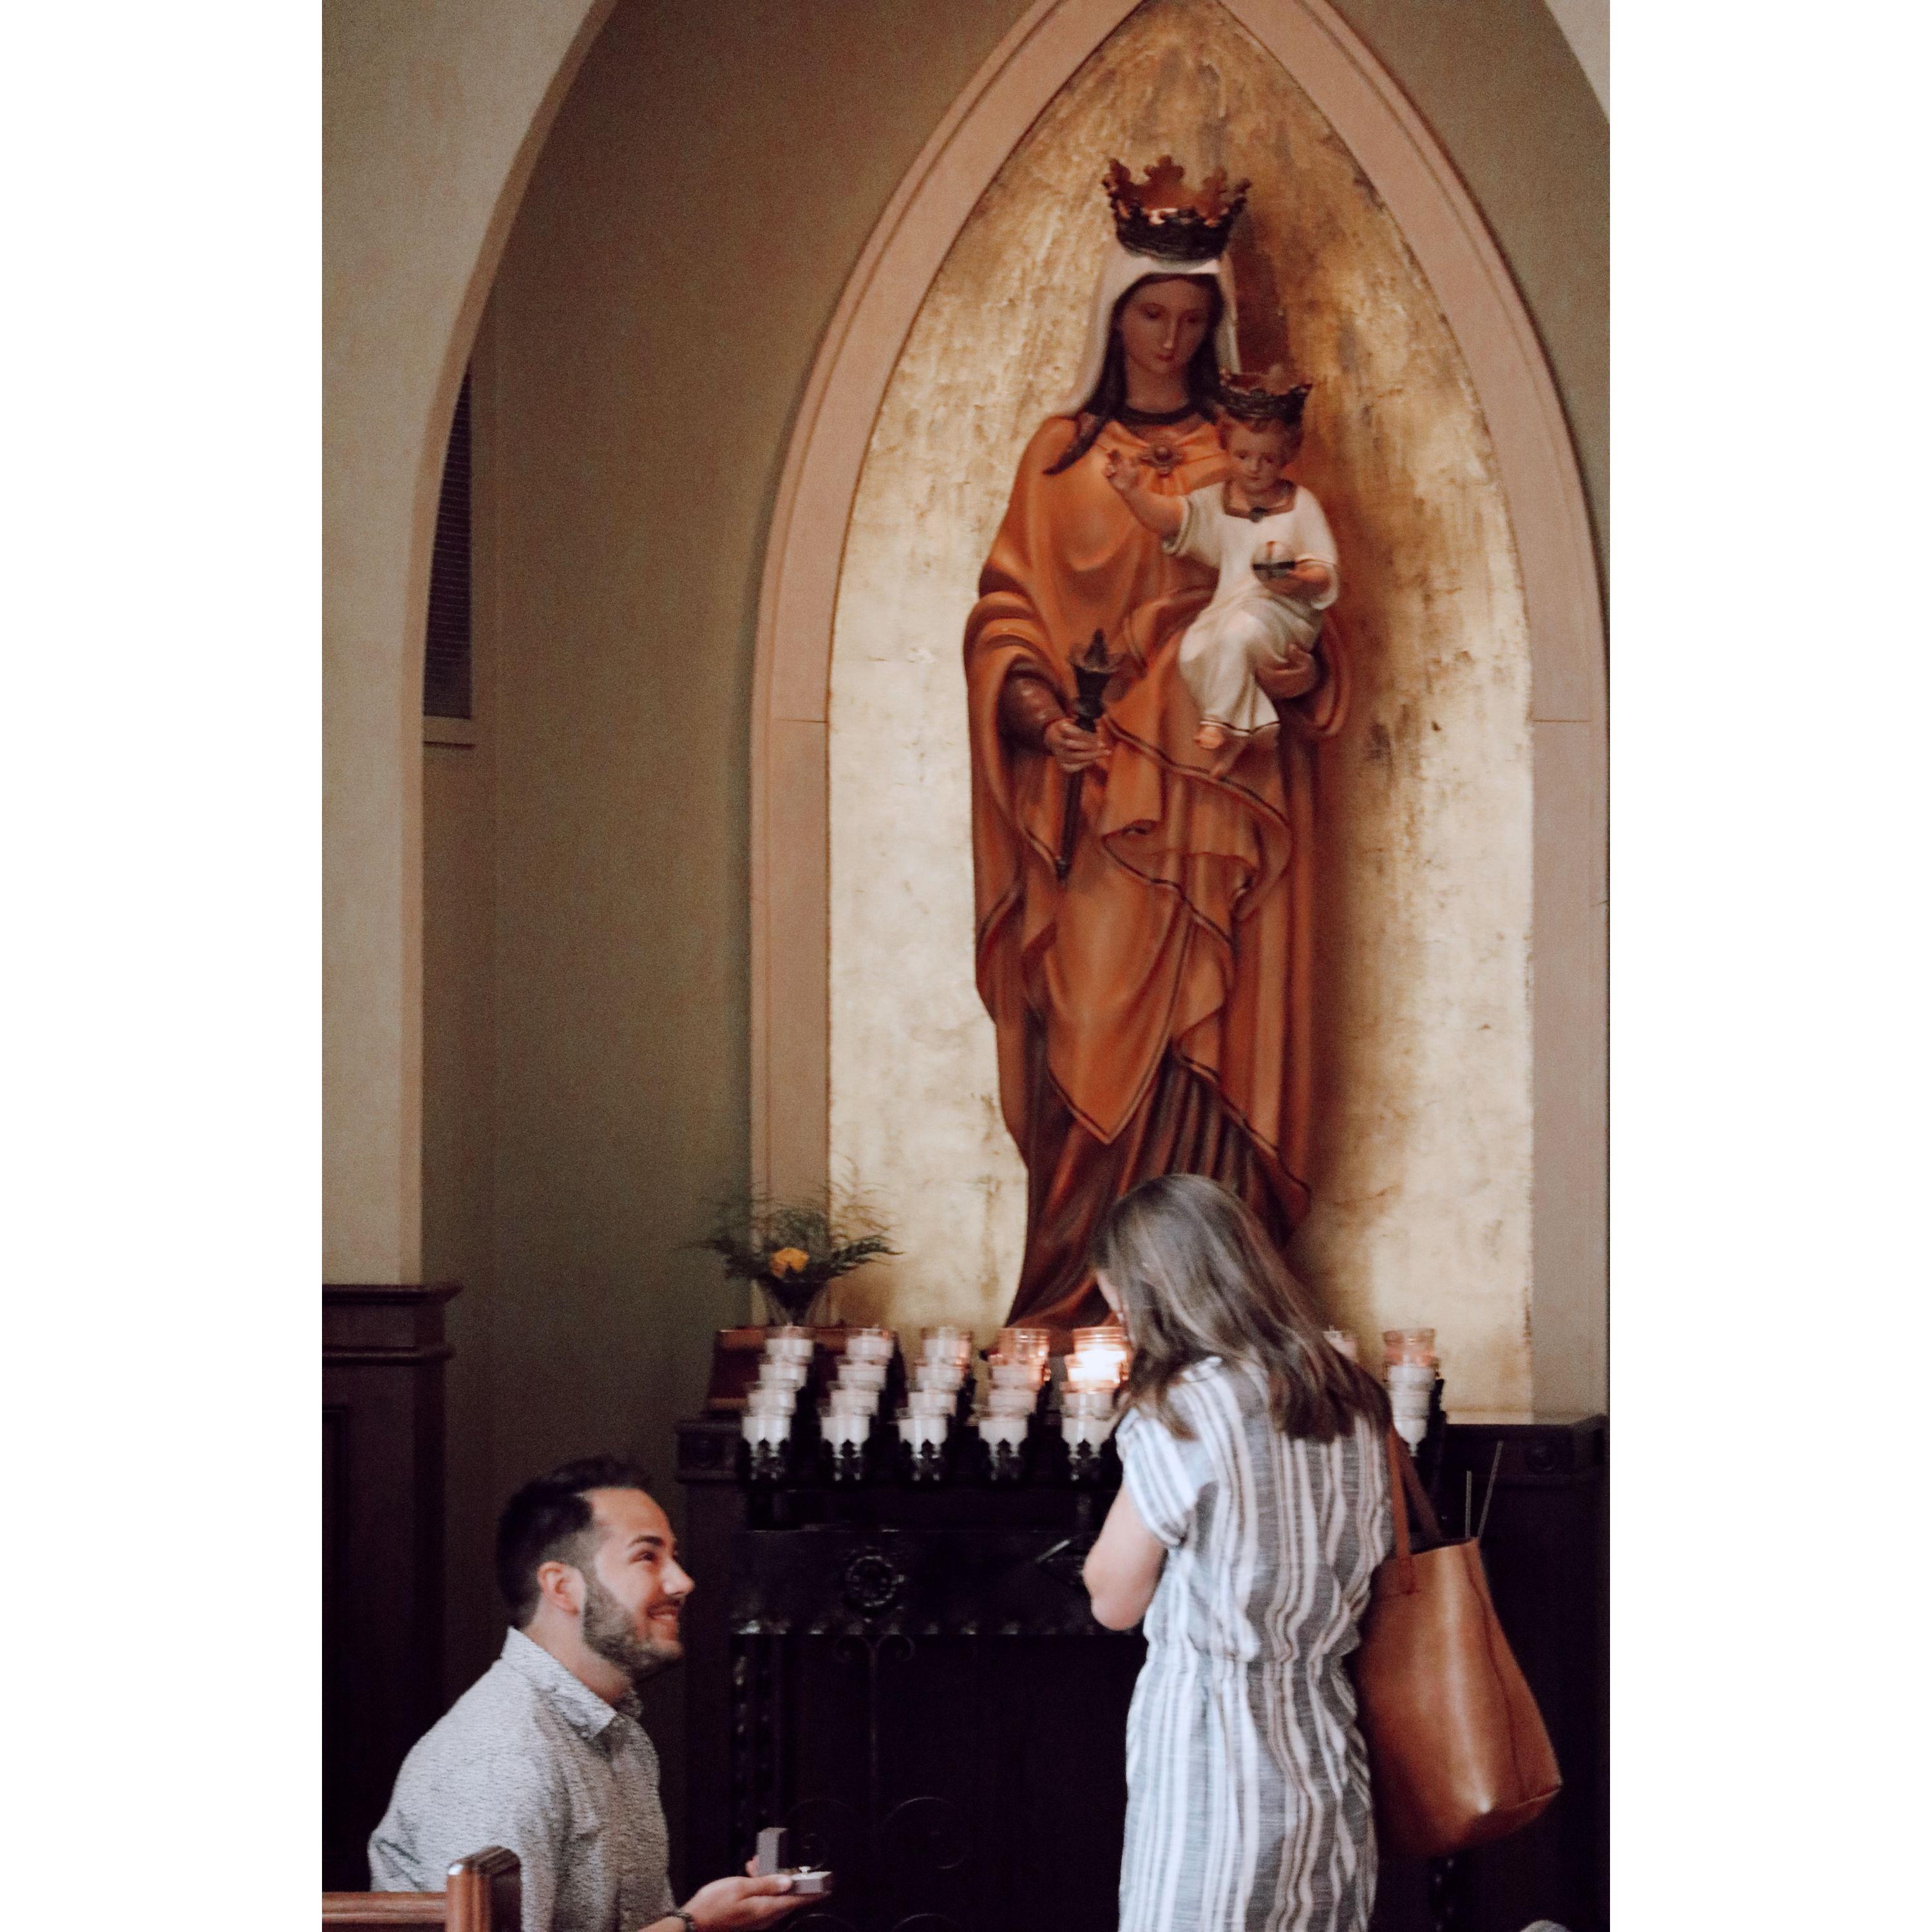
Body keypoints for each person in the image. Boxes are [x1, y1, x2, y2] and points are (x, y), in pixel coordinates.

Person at [964, 159, 1350, 1336]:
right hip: (1100, 807)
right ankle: (1083, 1298)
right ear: (1115, 314)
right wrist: (1038, 716)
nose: (1174, 337)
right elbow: (1003, 617)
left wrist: (1301, 669)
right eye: (1153, 314)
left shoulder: (1258, 473)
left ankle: (1223, 1315)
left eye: (1195, 319)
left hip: (1224, 792)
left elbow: (1314, 622)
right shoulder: (1062, 457)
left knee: (1216, 1035)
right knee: (1088, 1024)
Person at [1081, 1176, 1394, 1932]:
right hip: (1324, 1743)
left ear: (1150, 1294)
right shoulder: (1351, 1396)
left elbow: (1114, 1600)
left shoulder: (1185, 1407)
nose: (1119, 1320)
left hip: (1212, 1759)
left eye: (1118, 1302)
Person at [369, 1457, 813, 1932]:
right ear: (562, 1587)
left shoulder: (619, 1736)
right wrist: (694, 1926)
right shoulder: (501, 1753)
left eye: (674, 1556)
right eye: (648, 1556)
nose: (683, 1582)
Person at [1104, 378, 1338, 775]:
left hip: (1285, 613)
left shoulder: (1300, 504)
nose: (1255, 467)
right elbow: (1171, 518)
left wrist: (1297, 578)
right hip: (1232, 604)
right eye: (1244, 455)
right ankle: (1248, 731)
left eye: (1268, 459)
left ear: (1286, 456)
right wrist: (1131, 492)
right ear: (1226, 449)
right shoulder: (1219, 500)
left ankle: (1218, 723)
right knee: (1195, 648)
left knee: (1237, 636)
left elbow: (1325, 570)